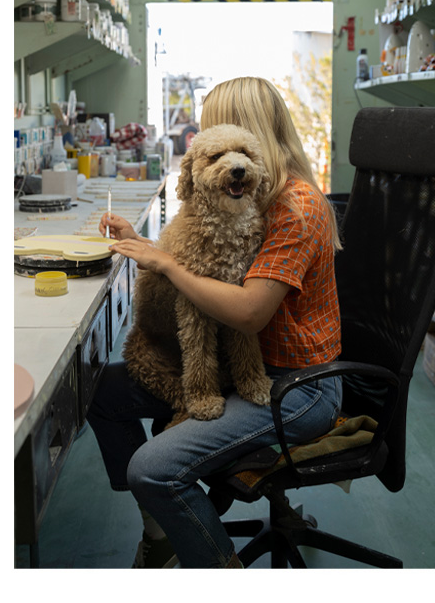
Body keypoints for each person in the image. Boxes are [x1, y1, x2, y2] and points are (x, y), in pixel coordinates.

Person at [88, 76, 343, 569]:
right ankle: (159, 529)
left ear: (245, 137)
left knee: (153, 469)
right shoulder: (249, 198)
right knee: (103, 393)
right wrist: (150, 247)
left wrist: (166, 265)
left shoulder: (295, 206)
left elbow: (248, 311)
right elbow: (202, 254)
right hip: (243, 365)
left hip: (298, 385)